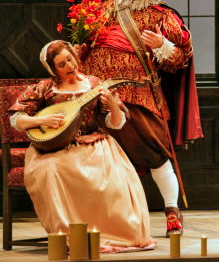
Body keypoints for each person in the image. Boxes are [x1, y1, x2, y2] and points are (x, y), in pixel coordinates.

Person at [78, 0, 203, 237]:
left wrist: (162, 44)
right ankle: (97, 218)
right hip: (97, 96)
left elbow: (181, 56)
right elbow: (86, 44)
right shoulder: (102, 9)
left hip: (140, 97)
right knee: (97, 158)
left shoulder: (163, 16)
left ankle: (172, 211)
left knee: (156, 154)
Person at [9, 40, 154, 253]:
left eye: (70, 59)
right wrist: (40, 121)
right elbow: (17, 119)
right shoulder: (46, 88)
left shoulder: (95, 85)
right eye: (61, 64)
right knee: (51, 172)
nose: (69, 66)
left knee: (113, 178)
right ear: (53, 69)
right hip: (55, 149)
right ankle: (70, 236)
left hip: (95, 144)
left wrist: (113, 105)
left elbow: (115, 123)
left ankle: (116, 235)